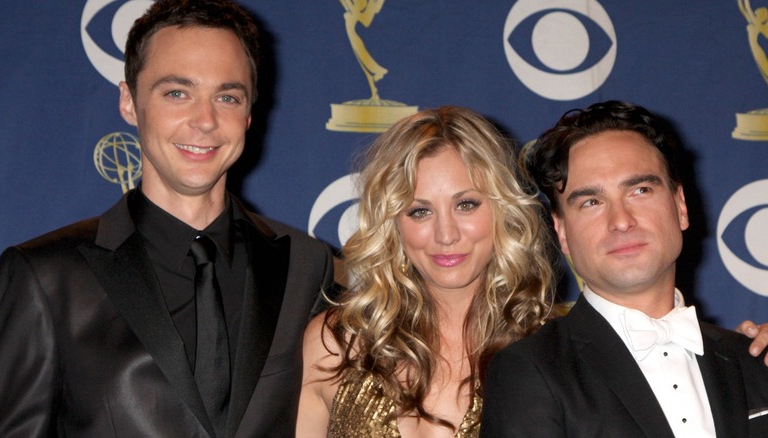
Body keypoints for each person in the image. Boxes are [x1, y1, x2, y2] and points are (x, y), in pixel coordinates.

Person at [0, 1, 333, 437]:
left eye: (227, 97)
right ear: (129, 103)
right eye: (177, 93)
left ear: (248, 114)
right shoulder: (48, 275)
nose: (205, 121)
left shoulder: (305, 265)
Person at [481, 100, 768, 437]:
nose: (621, 221)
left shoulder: (752, 360)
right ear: (561, 232)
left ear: (681, 206)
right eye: (591, 202)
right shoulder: (530, 371)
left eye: (640, 190)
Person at [296, 106, 558, 437]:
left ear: (501, 209)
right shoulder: (334, 345)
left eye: (466, 205)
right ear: (393, 224)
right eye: (420, 211)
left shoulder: (552, 354)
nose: (445, 234)